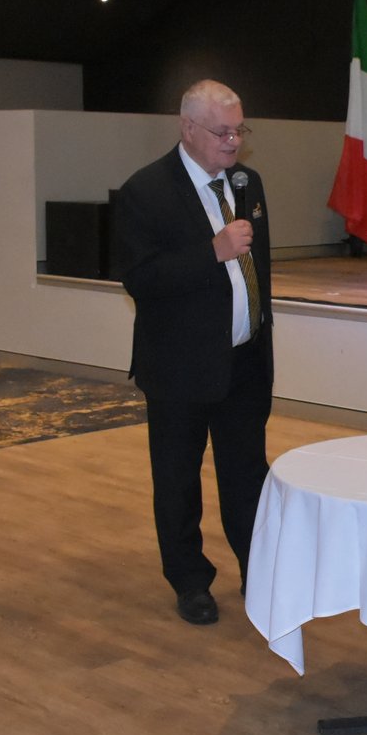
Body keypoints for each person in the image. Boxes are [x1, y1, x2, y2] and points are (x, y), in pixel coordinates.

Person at [111, 79, 272, 626]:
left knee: (248, 476)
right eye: (222, 132)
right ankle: (190, 581)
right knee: (178, 480)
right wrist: (212, 252)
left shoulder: (248, 183)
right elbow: (140, 279)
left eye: (239, 130)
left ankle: (259, 571)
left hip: (244, 362)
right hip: (179, 368)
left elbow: (258, 271)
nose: (234, 142)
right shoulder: (146, 191)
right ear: (187, 128)